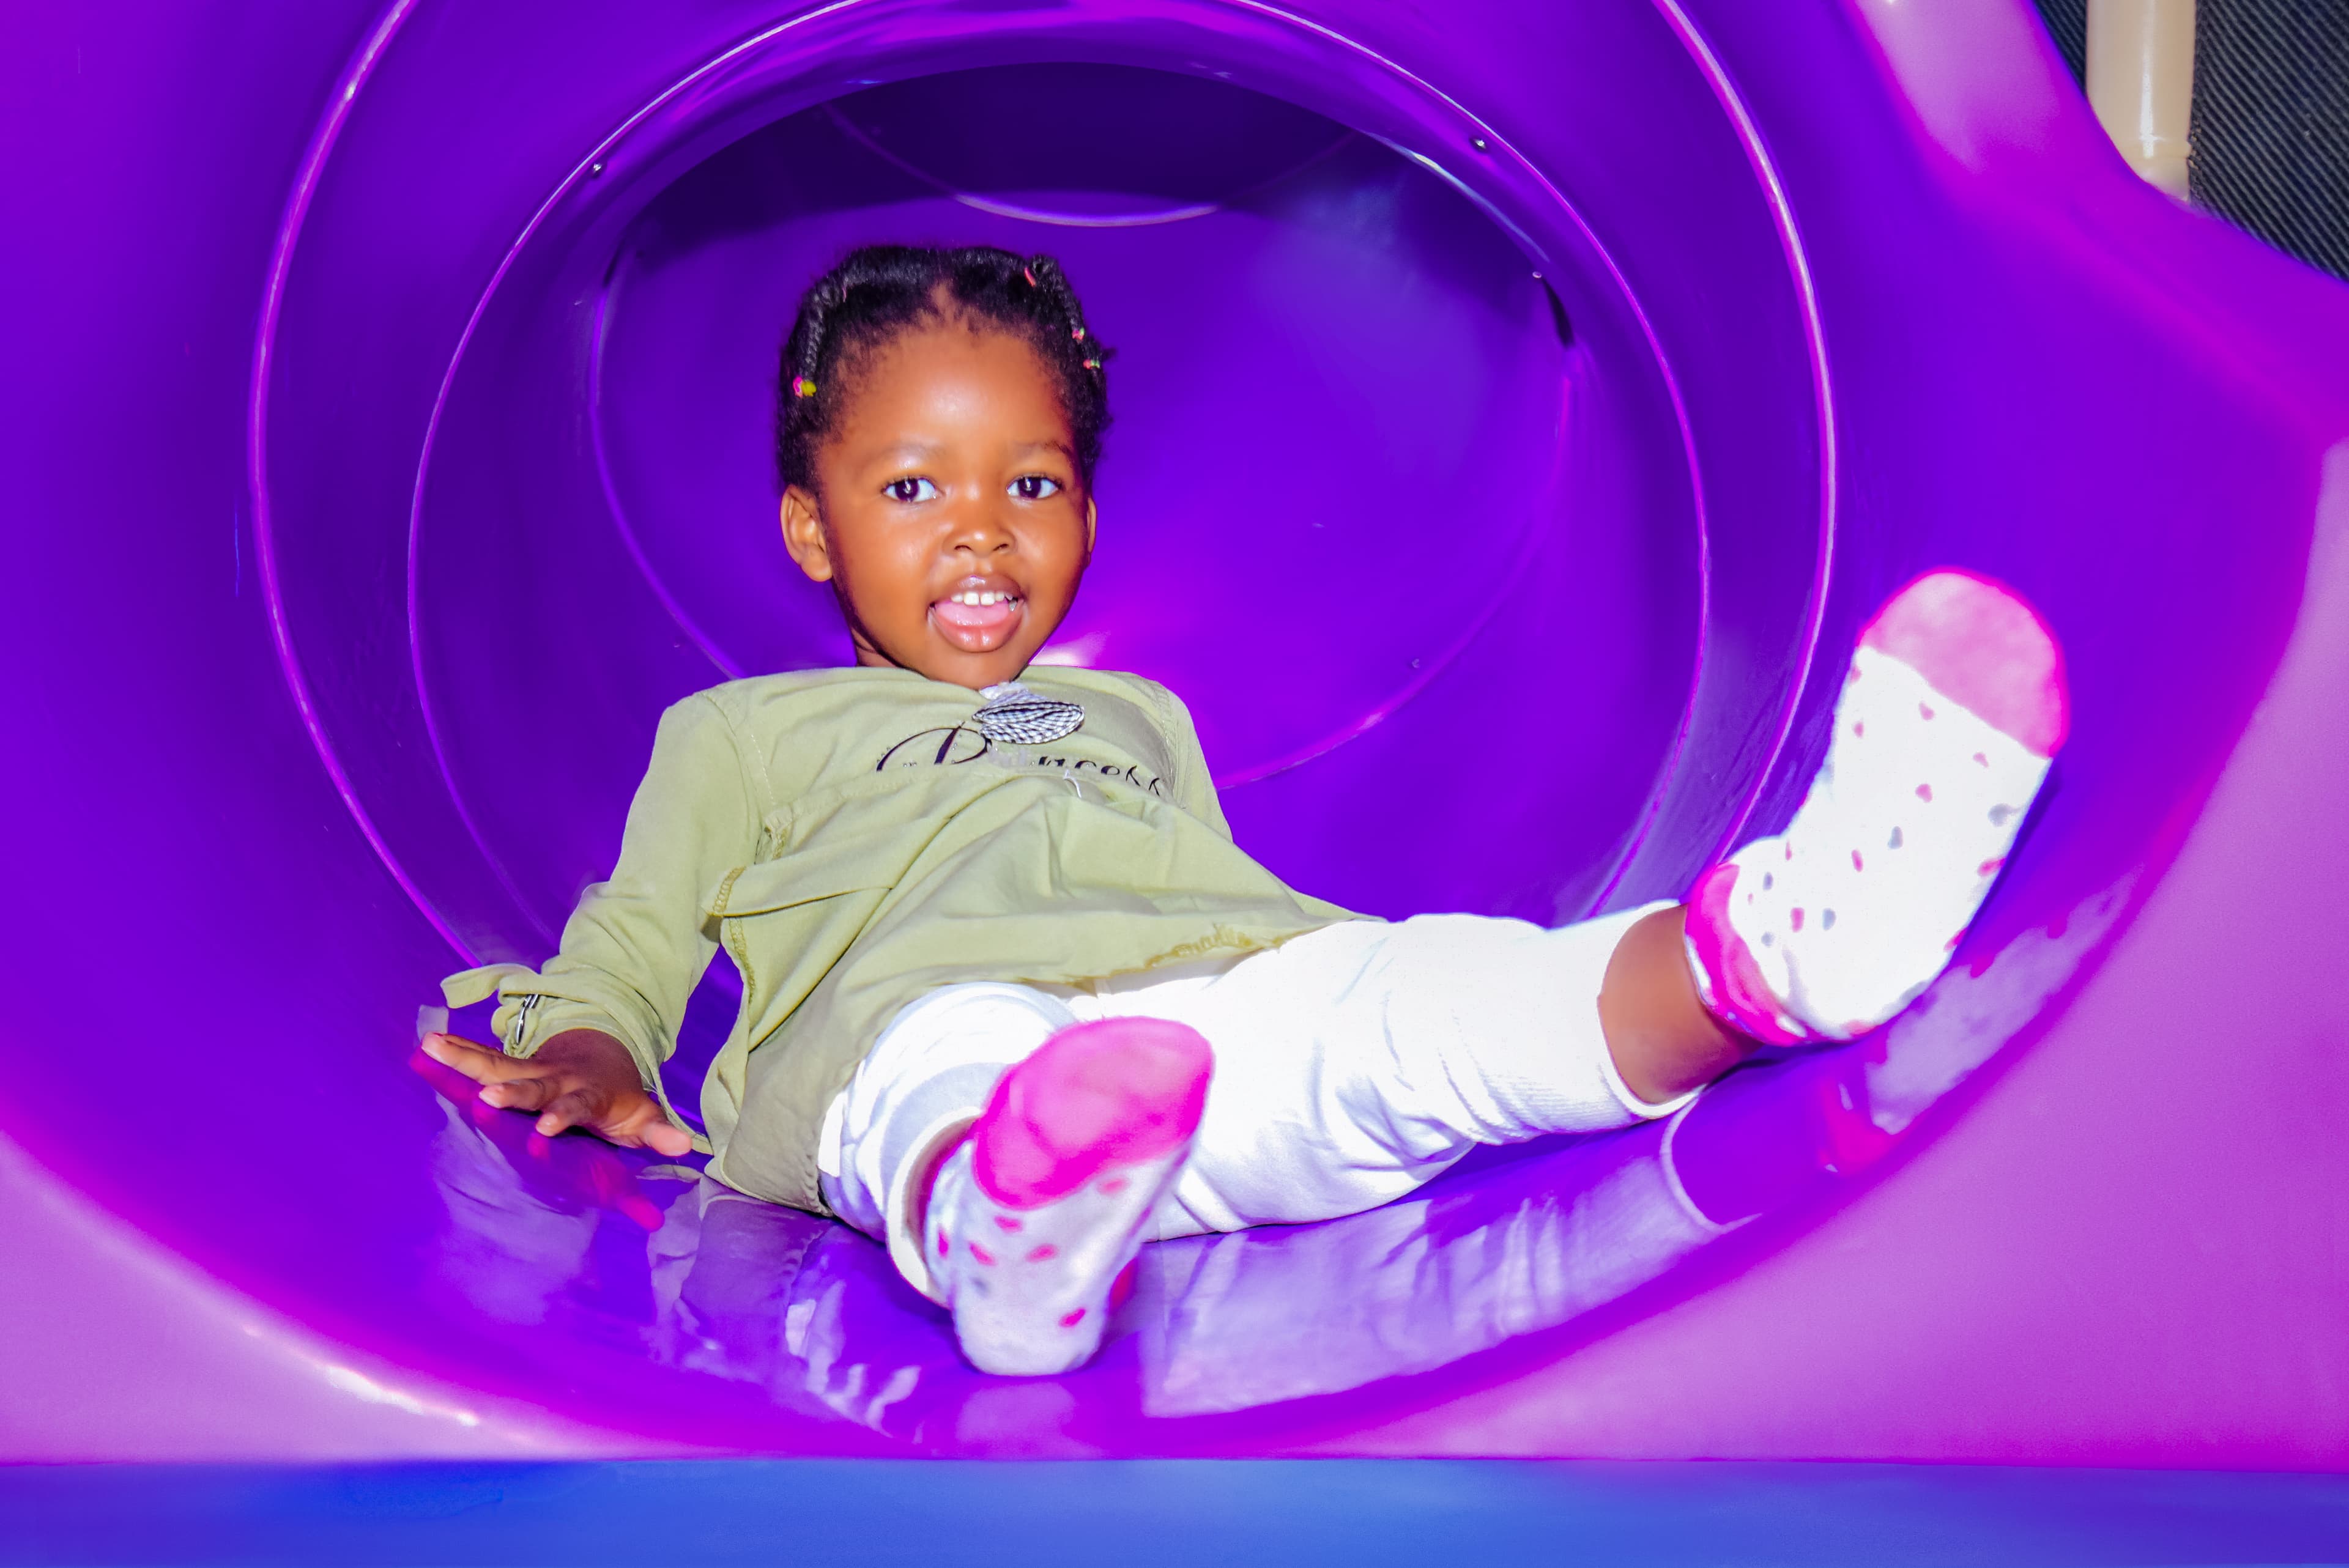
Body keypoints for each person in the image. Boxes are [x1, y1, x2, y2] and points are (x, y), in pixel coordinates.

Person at [426, 244, 2069, 1376]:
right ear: (809, 526)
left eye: (1036, 484)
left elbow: (1195, 886)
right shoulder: (744, 731)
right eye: (913, 487)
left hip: (1206, 1031)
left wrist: (1321, 989)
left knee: (1431, 1003)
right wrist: (590, 1044)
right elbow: (636, 936)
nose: (984, 534)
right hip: (917, 1027)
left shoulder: (1135, 710)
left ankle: (1768, 950)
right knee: (945, 1069)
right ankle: (1004, 1236)